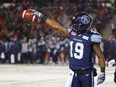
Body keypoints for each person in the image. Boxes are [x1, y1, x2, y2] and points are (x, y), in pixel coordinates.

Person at [31, 10, 106, 87]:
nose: (74, 25)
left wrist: (103, 72)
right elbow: (56, 26)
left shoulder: (91, 37)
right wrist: (41, 16)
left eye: (76, 23)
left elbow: (100, 56)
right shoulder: (72, 34)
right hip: (74, 73)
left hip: (86, 73)